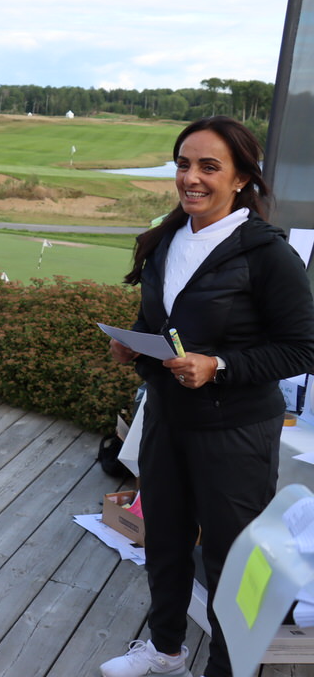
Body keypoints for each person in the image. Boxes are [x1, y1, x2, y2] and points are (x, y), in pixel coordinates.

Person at [101, 116, 314, 677]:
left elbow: (302, 349)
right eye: (183, 164)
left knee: (230, 560)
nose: (190, 177)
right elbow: (163, 322)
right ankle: (166, 652)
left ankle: (227, 668)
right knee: (165, 542)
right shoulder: (165, 239)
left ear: (241, 178)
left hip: (237, 432)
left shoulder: (268, 254)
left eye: (208, 167)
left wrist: (219, 366)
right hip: (166, 419)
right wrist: (134, 345)